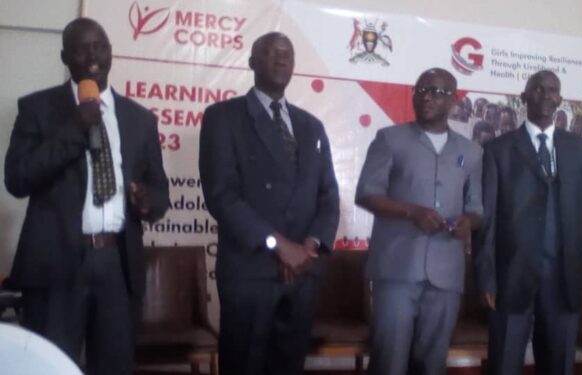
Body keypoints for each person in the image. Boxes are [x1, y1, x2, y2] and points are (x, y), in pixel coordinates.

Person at [3, 17, 169, 375]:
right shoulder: (37, 109)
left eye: (101, 46)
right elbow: (17, 179)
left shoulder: (140, 119)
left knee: (113, 366)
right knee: (49, 366)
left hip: (116, 263)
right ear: (66, 57)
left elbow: (160, 190)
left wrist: (148, 202)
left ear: (111, 52)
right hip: (55, 264)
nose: (93, 55)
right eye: (82, 47)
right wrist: (75, 127)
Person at [199, 32, 340, 375]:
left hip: (302, 274)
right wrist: (279, 245)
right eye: (271, 52)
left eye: (287, 54)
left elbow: (329, 197)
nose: (281, 59)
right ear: (251, 63)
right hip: (251, 273)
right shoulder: (222, 118)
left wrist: (309, 246)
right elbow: (222, 196)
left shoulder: (312, 126)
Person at [475, 70, 582, 375]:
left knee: (559, 366)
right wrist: (486, 275)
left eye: (552, 91)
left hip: (563, 279)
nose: (546, 96)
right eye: (538, 90)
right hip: (510, 279)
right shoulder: (498, 151)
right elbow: (487, 222)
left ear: (560, 100)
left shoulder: (581, 151)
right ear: (525, 98)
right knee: (504, 365)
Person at [356, 68, 483, 375]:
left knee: (432, 363)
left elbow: (477, 209)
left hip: (446, 274)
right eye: (421, 90)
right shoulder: (390, 139)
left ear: (453, 100)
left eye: (437, 92)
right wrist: (411, 212)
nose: (427, 96)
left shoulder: (472, 151)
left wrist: (469, 223)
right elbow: (366, 194)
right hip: (397, 270)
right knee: (389, 363)